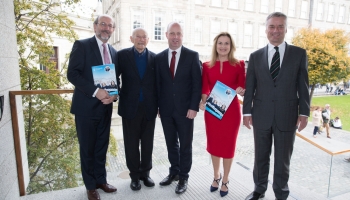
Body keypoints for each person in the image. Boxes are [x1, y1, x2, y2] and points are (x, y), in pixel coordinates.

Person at [243, 12, 310, 200]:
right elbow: (250, 87)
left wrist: (304, 113)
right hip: (261, 115)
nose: (276, 30)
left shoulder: (299, 54)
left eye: (280, 26)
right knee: (260, 157)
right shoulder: (255, 56)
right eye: (272, 27)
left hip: (287, 115)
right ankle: (259, 190)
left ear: (286, 29)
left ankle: (281, 193)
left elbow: (303, 86)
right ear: (266, 30)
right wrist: (246, 112)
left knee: (282, 160)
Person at [67, 14, 118, 200]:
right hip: (86, 109)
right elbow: (72, 74)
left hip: (105, 108)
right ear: (95, 26)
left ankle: (101, 181)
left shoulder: (113, 51)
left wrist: (113, 96)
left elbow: (115, 80)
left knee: (101, 147)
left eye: (110, 26)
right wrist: (96, 92)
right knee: (87, 149)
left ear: (113, 29)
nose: (106, 28)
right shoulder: (82, 45)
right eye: (103, 24)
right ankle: (90, 187)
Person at [155, 22, 202, 194]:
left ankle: (184, 176)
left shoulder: (192, 56)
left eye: (179, 34)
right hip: (166, 110)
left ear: (183, 36)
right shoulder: (159, 58)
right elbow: (158, 85)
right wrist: (159, 107)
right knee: (170, 143)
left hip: (186, 110)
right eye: (172, 33)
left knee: (185, 145)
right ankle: (174, 171)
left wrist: (193, 107)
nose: (175, 37)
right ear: (166, 35)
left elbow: (197, 84)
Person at [199, 32, 246, 197]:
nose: (223, 46)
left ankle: (225, 179)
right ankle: (216, 175)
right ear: (216, 45)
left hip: (231, 112)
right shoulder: (206, 65)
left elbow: (243, 87)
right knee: (214, 145)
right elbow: (205, 87)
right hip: (213, 111)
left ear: (231, 46)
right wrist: (204, 101)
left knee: (228, 146)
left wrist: (241, 90)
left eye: (226, 43)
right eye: (220, 43)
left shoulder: (239, 64)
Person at [116, 28, 157, 191]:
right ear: (131, 38)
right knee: (131, 144)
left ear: (148, 39)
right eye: (138, 37)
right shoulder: (122, 55)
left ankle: (145, 174)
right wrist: (116, 94)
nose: (141, 39)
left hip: (149, 107)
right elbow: (113, 77)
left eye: (144, 37)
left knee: (148, 144)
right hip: (129, 107)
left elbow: (158, 84)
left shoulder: (155, 58)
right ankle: (134, 176)